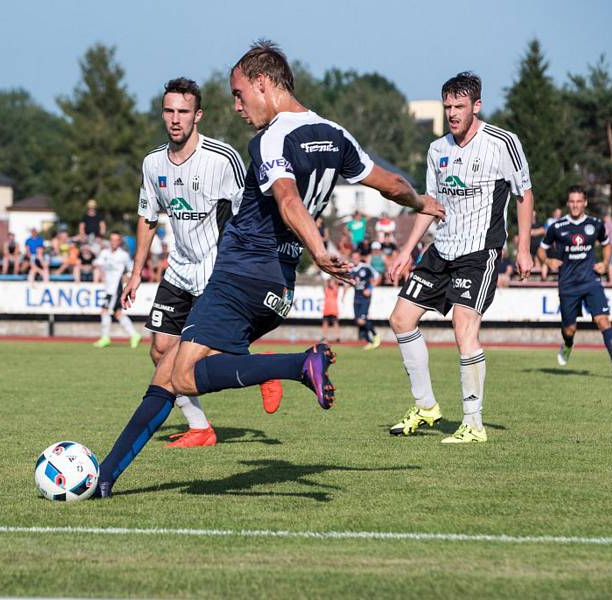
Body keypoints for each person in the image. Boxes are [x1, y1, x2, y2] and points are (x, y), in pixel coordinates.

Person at [96, 41, 444, 497]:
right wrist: (421, 202)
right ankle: (105, 476)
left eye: (239, 94)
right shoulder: (335, 134)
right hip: (278, 288)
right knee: (169, 370)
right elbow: (392, 184)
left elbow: (286, 198)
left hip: (241, 272)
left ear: (264, 83)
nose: (237, 106)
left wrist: (318, 248)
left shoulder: (271, 138)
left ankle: (300, 364)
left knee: (180, 374)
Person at [387, 71, 534, 444]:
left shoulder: (502, 142)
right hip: (442, 248)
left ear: (476, 105)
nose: (452, 113)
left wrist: (525, 247)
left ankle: (473, 423)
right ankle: (426, 407)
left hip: (479, 251)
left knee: (463, 327)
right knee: (401, 319)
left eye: (459, 106)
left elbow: (524, 195)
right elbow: (430, 205)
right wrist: (406, 251)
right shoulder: (438, 149)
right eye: (447, 106)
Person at [118, 76, 252, 448]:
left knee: (208, 352)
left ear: (198, 116)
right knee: (160, 349)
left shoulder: (222, 159)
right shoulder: (151, 163)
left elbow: (247, 214)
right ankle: (200, 428)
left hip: (216, 268)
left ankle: (264, 369)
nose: (175, 119)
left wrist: (246, 264)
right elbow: (148, 218)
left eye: (183, 111)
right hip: (179, 267)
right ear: (162, 114)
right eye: (169, 111)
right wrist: (135, 275)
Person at [538, 186, 612, 378]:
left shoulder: (595, 224)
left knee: (603, 320)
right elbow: (541, 249)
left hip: (591, 281)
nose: (575, 205)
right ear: (568, 203)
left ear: (585, 203)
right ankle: (568, 344)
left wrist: (605, 262)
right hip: (568, 285)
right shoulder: (557, 227)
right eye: (572, 201)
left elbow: (607, 245)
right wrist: (547, 260)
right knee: (570, 329)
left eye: (579, 201)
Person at [92, 232, 141, 349]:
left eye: (116, 240)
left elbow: (130, 269)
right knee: (118, 313)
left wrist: (128, 282)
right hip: (108, 287)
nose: (113, 242)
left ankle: (105, 337)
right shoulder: (105, 253)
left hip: (115, 288)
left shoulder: (123, 255)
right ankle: (134, 335)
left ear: (119, 242)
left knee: (105, 310)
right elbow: (96, 263)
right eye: (111, 239)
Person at [350, 250, 381, 349]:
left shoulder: (366, 267)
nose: (354, 259)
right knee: (358, 320)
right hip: (356, 297)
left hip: (365, 298)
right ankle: (370, 341)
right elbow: (348, 282)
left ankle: (376, 336)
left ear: (359, 258)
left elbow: (378, 276)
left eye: (356, 257)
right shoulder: (351, 269)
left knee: (362, 320)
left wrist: (370, 289)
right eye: (353, 258)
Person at [321, 277, 341, 343]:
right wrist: (327, 281)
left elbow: (336, 290)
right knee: (325, 322)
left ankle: (337, 337)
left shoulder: (336, 287)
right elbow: (324, 286)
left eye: (332, 282)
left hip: (333, 308)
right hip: (327, 308)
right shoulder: (327, 288)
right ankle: (324, 337)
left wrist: (333, 283)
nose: (330, 283)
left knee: (335, 322)